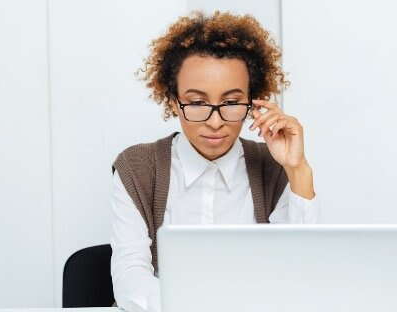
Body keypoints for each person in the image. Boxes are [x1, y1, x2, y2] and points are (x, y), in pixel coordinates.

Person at [110, 11, 318, 312]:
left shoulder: (274, 165)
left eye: (232, 103)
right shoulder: (137, 167)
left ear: (253, 102)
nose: (216, 122)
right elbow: (131, 279)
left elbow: (301, 270)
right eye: (196, 103)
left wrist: (297, 169)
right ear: (173, 101)